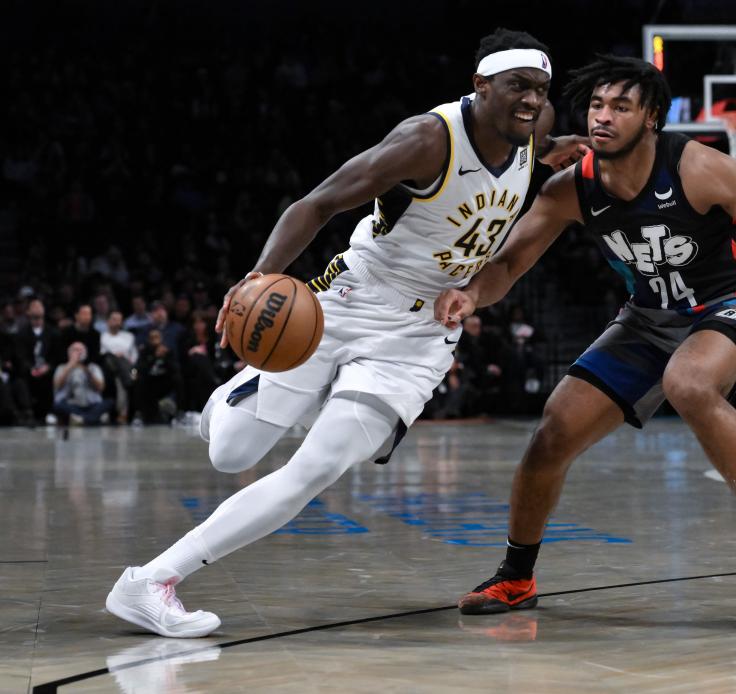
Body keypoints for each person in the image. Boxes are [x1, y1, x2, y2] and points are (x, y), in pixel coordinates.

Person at [105, 28, 588, 638]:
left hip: (418, 336)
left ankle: (151, 581)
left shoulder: (533, 124)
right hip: (349, 300)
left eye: (541, 90)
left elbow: (535, 145)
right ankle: (235, 396)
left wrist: (555, 146)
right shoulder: (426, 139)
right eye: (518, 86)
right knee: (230, 454)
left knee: (315, 470)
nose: (531, 101)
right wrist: (260, 277)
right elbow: (316, 204)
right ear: (480, 85)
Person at [433, 55, 736, 614]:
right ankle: (516, 577)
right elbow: (509, 265)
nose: (602, 118)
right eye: (595, 105)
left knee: (687, 382)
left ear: (652, 118)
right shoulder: (571, 189)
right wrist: (471, 295)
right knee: (551, 436)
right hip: (648, 316)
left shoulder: (699, 168)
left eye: (620, 106)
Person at [15, 299, 63, 421]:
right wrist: (31, 368)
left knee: (54, 376)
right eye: (33, 306)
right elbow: (20, 356)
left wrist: (48, 367)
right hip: (29, 370)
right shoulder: (22, 333)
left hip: (48, 369)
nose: (36, 308)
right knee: (21, 379)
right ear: (28, 312)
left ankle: (52, 411)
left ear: (44, 310)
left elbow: (57, 355)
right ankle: (28, 412)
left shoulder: (53, 332)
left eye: (39, 306)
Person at [52, 342, 112, 425]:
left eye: (81, 350)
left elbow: (101, 388)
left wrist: (87, 372)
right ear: (69, 353)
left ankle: (81, 419)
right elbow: (57, 385)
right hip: (71, 404)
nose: (79, 352)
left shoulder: (93, 367)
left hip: (91, 405)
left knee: (109, 403)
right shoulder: (62, 367)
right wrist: (70, 366)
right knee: (57, 406)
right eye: (75, 350)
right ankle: (94, 419)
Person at [100, 310, 137, 423]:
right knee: (113, 359)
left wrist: (131, 366)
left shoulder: (129, 336)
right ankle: (122, 413)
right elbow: (102, 355)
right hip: (110, 369)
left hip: (130, 368)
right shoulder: (102, 337)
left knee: (134, 374)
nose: (116, 322)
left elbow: (135, 356)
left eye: (119, 320)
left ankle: (128, 413)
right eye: (114, 319)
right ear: (108, 321)